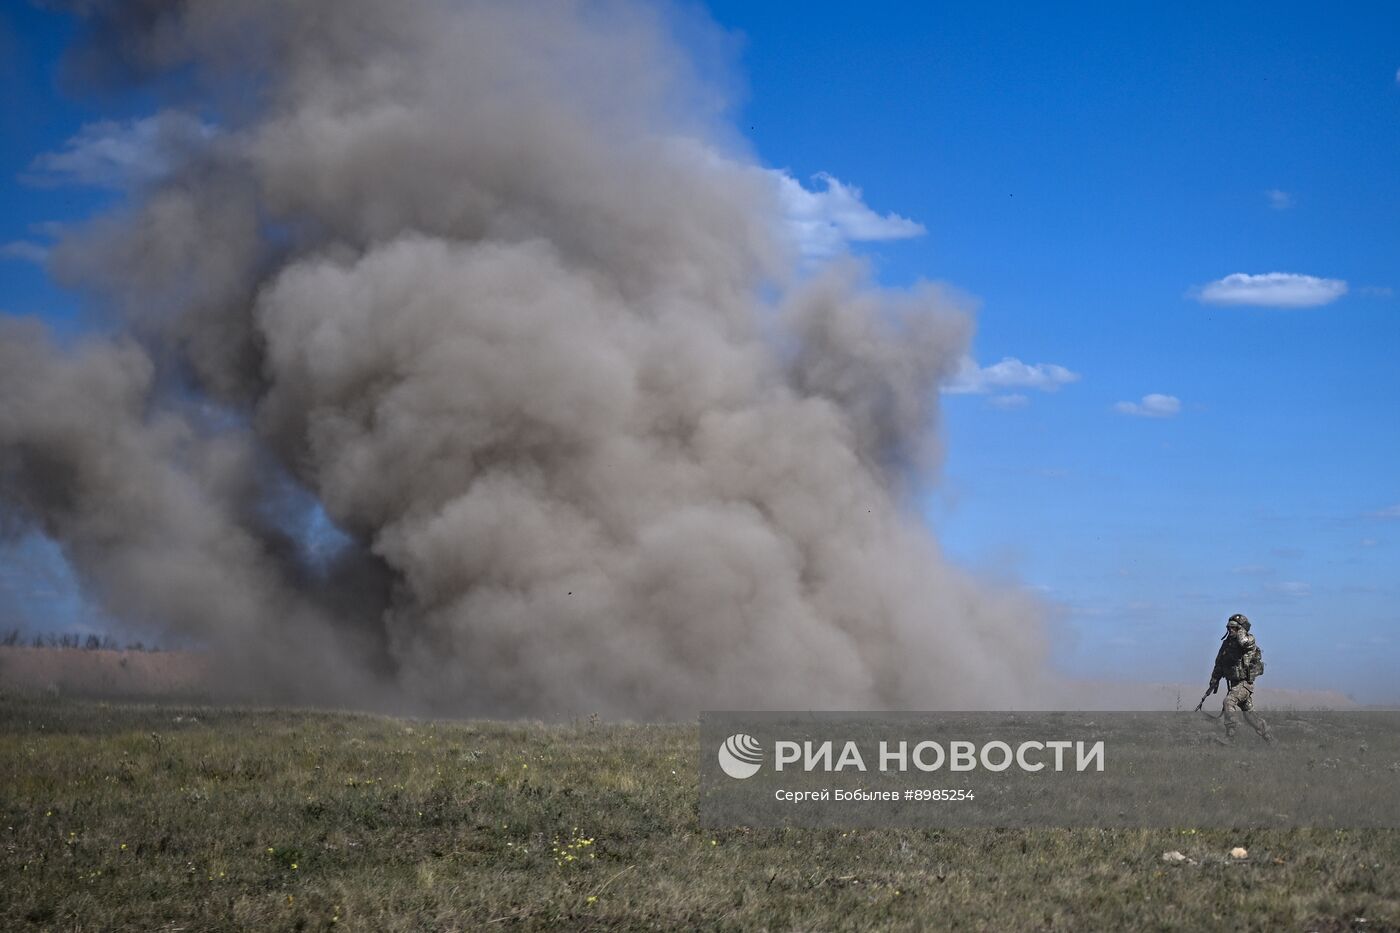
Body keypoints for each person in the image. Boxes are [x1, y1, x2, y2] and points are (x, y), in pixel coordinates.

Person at [1206, 613, 1271, 744]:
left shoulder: (1248, 641)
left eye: (1234, 628)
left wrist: (1241, 631)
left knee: (1228, 702)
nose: (1230, 630)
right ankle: (1270, 739)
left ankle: (1230, 736)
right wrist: (1214, 681)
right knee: (1250, 716)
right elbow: (1219, 663)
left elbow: (1245, 642)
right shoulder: (1227, 645)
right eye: (1229, 627)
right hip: (1235, 683)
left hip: (1245, 683)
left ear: (1241, 629)